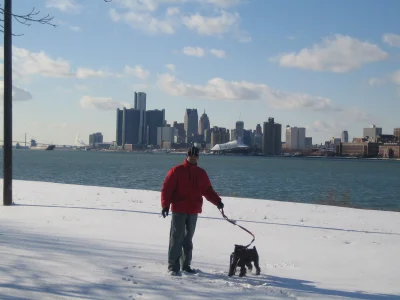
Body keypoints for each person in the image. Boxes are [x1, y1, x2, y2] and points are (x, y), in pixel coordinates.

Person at [161, 144, 224, 275]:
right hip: (179, 209)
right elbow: (167, 189)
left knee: (188, 239)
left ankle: (186, 265)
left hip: (193, 210)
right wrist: (165, 205)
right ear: (187, 156)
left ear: (198, 157)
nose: (193, 158)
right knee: (176, 237)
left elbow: (207, 191)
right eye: (191, 155)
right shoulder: (176, 171)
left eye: (195, 156)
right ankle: (173, 266)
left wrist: (217, 201)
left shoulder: (202, 173)